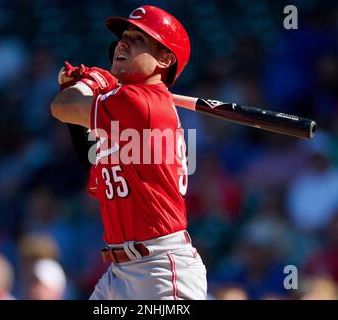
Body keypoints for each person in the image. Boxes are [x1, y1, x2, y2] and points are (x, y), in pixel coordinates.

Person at [51, 5, 207, 300]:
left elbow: (61, 107)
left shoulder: (140, 102)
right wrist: (91, 91)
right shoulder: (128, 107)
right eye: (124, 36)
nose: (123, 42)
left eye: (138, 38)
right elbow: (94, 168)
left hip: (159, 271)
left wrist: (91, 83)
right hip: (119, 273)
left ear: (165, 59)